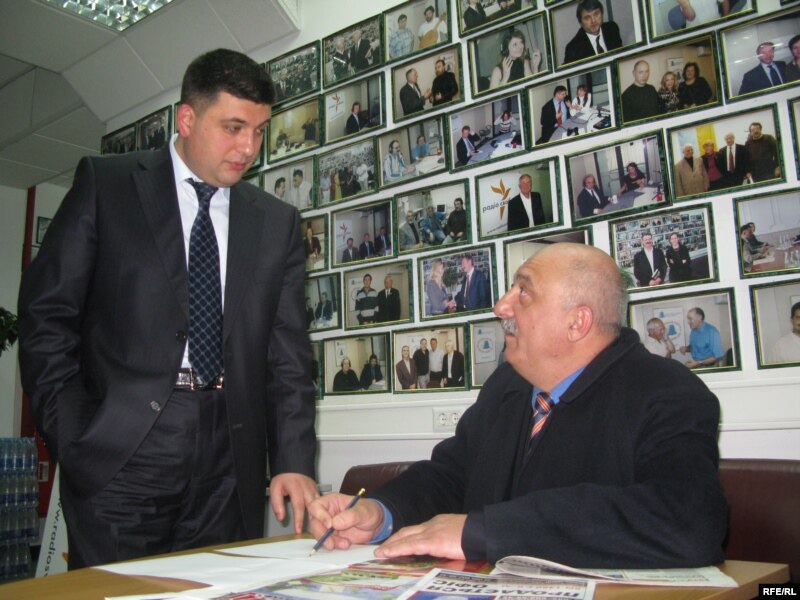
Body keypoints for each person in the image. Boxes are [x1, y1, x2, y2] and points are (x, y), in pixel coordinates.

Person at [17, 48, 318, 569]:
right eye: (233, 128)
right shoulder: (107, 186)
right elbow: (47, 317)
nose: (249, 148)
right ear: (187, 119)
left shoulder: (276, 223)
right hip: (123, 448)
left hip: (231, 456)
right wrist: (73, 435)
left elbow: (288, 353)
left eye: (260, 131)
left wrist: (293, 459)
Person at [307, 243, 726, 566]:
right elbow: (451, 477)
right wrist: (380, 512)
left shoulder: (668, 393)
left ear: (577, 322)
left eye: (523, 292)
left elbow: (689, 522)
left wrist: (485, 532)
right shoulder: (508, 384)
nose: (501, 306)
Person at [563, 0, 622, 65]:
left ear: (602, 14)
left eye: (596, 14)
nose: (593, 20)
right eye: (587, 18)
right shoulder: (573, 49)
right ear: (580, 23)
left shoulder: (612, 28)